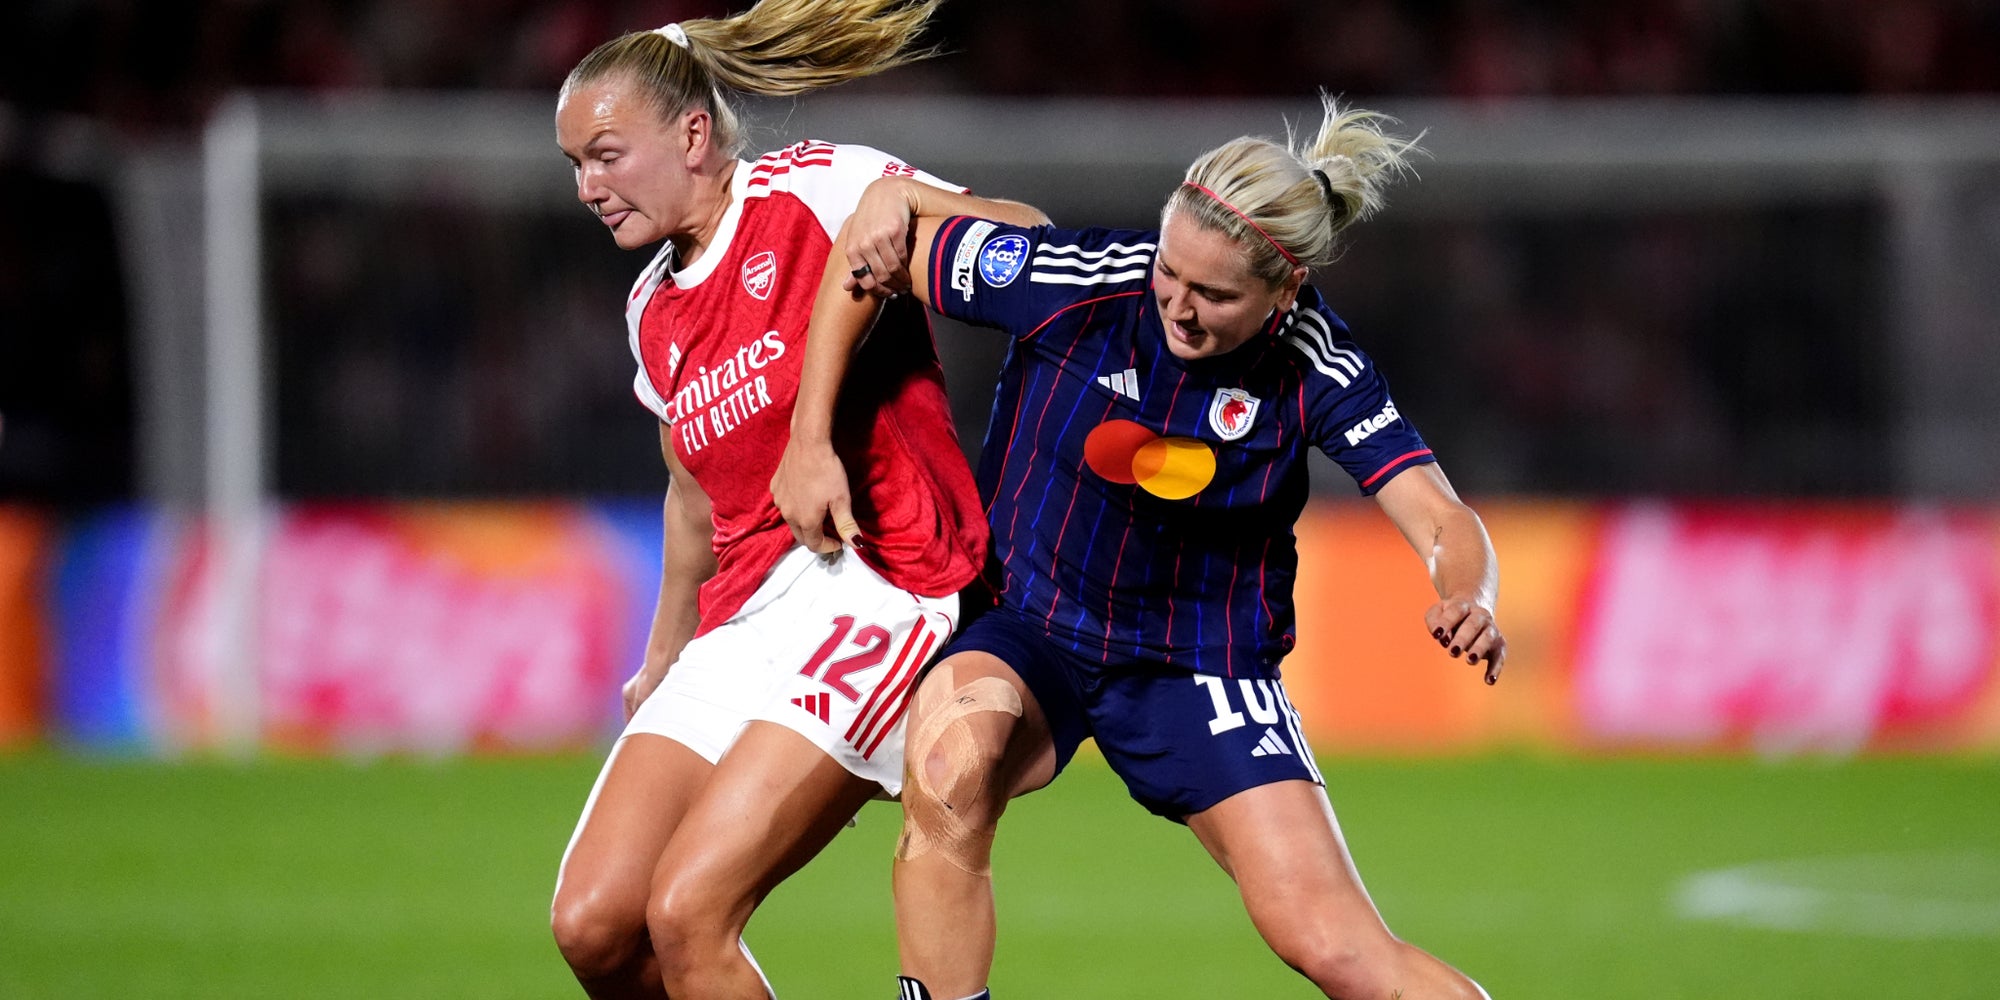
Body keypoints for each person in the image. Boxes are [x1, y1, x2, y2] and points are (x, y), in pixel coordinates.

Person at [773, 94, 1503, 1000]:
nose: (1179, 308)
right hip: (1030, 623)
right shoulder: (1080, 280)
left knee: (1339, 948)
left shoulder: (1318, 362)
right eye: (1171, 273)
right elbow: (866, 252)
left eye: (1215, 294)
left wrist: (1469, 594)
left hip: (1200, 665)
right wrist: (812, 432)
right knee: (950, 770)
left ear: (1286, 291)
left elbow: (1440, 517)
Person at [547, 3, 1047, 998]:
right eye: (574, 166)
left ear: (692, 135)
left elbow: (1029, 239)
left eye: (604, 156)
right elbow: (692, 498)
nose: (585, 187)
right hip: (742, 617)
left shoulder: (816, 188)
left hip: (882, 581)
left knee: (688, 911)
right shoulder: (652, 309)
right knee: (595, 923)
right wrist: (659, 653)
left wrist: (904, 200)